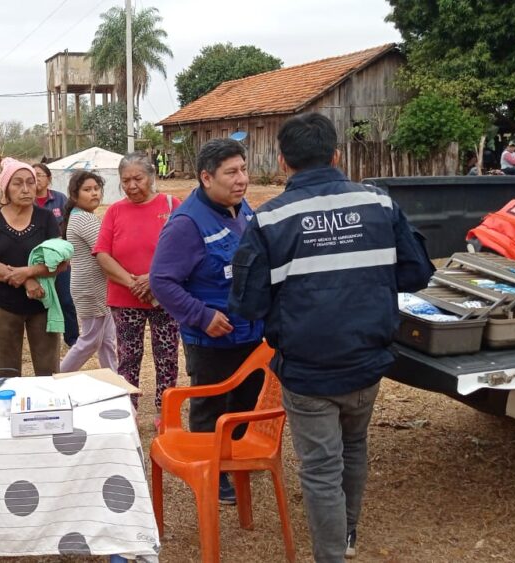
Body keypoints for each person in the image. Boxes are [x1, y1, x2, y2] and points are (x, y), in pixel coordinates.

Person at [229, 113, 434, 562]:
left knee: (321, 468)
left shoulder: (269, 220)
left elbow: (247, 304)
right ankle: (346, 537)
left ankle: (332, 555)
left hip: (307, 369)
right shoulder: (379, 204)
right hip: (368, 360)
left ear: (282, 162)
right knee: (355, 446)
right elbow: (417, 271)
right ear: (337, 155)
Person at [149, 138, 265, 505]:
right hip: (212, 338)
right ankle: (211, 473)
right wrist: (201, 316)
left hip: (251, 333)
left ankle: (232, 460)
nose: (241, 179)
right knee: (211, 405)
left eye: (243, 169)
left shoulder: (241, 209)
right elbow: (161, 281)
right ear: (206, 178)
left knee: (246, 402)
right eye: (231, 172)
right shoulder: (186, 223)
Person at [94, 152, 181, 425]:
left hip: (164, 296)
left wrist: (154, 280)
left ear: (151, 176)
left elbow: (185, 251)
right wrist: (134, 283)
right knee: (128, 357)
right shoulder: (115, 211)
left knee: (166, 357)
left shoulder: (172, 205)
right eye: (125, 180)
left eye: (138, 178)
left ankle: (164, 411)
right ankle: (128, 410)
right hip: (125, 297)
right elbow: (102, 255)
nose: (132, 186)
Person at [0, 157, 65, 376]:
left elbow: (61, 261)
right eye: (18, 183)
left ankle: (47, 410)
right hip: (4, 303)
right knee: (6, 373)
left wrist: (29, 272)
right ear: (6, 187)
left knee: (48, 373)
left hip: (42, 302)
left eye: (30, 182)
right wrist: (25, 279)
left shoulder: (46, 218)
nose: (26, 189)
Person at [59, 171, 117, 372]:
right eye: (87, 190)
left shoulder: (82, 216)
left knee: (108, 340)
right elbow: (107, 251)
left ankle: (116, 381)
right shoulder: (84, 219)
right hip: (91, 289)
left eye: (96, 188)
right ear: (74, 195)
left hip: (98, 288)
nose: (94, 193)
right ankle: (58, 376)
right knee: (90, 340)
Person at [32, 162, 79, 347]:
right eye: (32, 175)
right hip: (37, 261)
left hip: (60, 260)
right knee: (40, 301)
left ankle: (73, 339)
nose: (36, 179)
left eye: (39, 175)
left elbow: (69, 224)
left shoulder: (60, 200)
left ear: (49, 179)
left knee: (66, 300)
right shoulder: (27, 202)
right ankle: (44, 340)